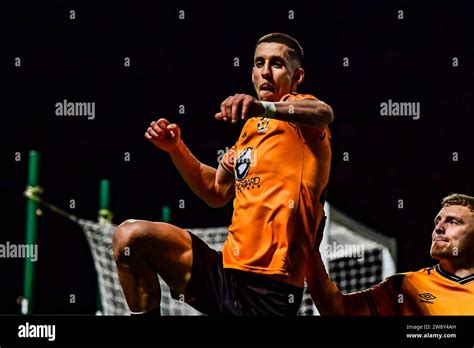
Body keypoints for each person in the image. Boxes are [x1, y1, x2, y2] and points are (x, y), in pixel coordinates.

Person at [113, 32, 334, 316]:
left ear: (297, 75)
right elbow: (215, 191)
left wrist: (262, 107)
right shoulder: (250, 131)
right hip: (225, 274)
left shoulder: (304, 122)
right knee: (131, 237)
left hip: (272, 295)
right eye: (259, 63)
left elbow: (323, 112)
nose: (266, 71)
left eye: (277, 64)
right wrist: (175, 148)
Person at [305, 193, 474, 315]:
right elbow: (338, 310)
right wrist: (311, 253)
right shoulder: (405, 285)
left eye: (453, 222)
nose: (438, 228)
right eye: (438, 221)